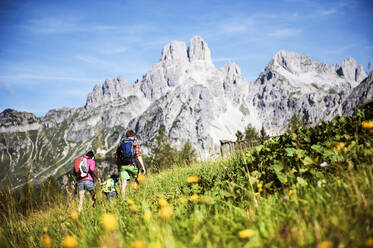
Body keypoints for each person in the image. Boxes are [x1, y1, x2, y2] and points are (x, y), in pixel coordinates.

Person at [115, 130, 146, 199]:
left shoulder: (121, 144)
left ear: (126, 136)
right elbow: (138, 155)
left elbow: (117, 156)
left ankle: (123, 199)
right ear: (133, 136)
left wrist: (118, 167)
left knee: (124, 183)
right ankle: (134, 191)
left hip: (123, 166)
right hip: (132, 165)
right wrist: (143, 167)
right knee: (138, 177)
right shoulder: (135, 143)